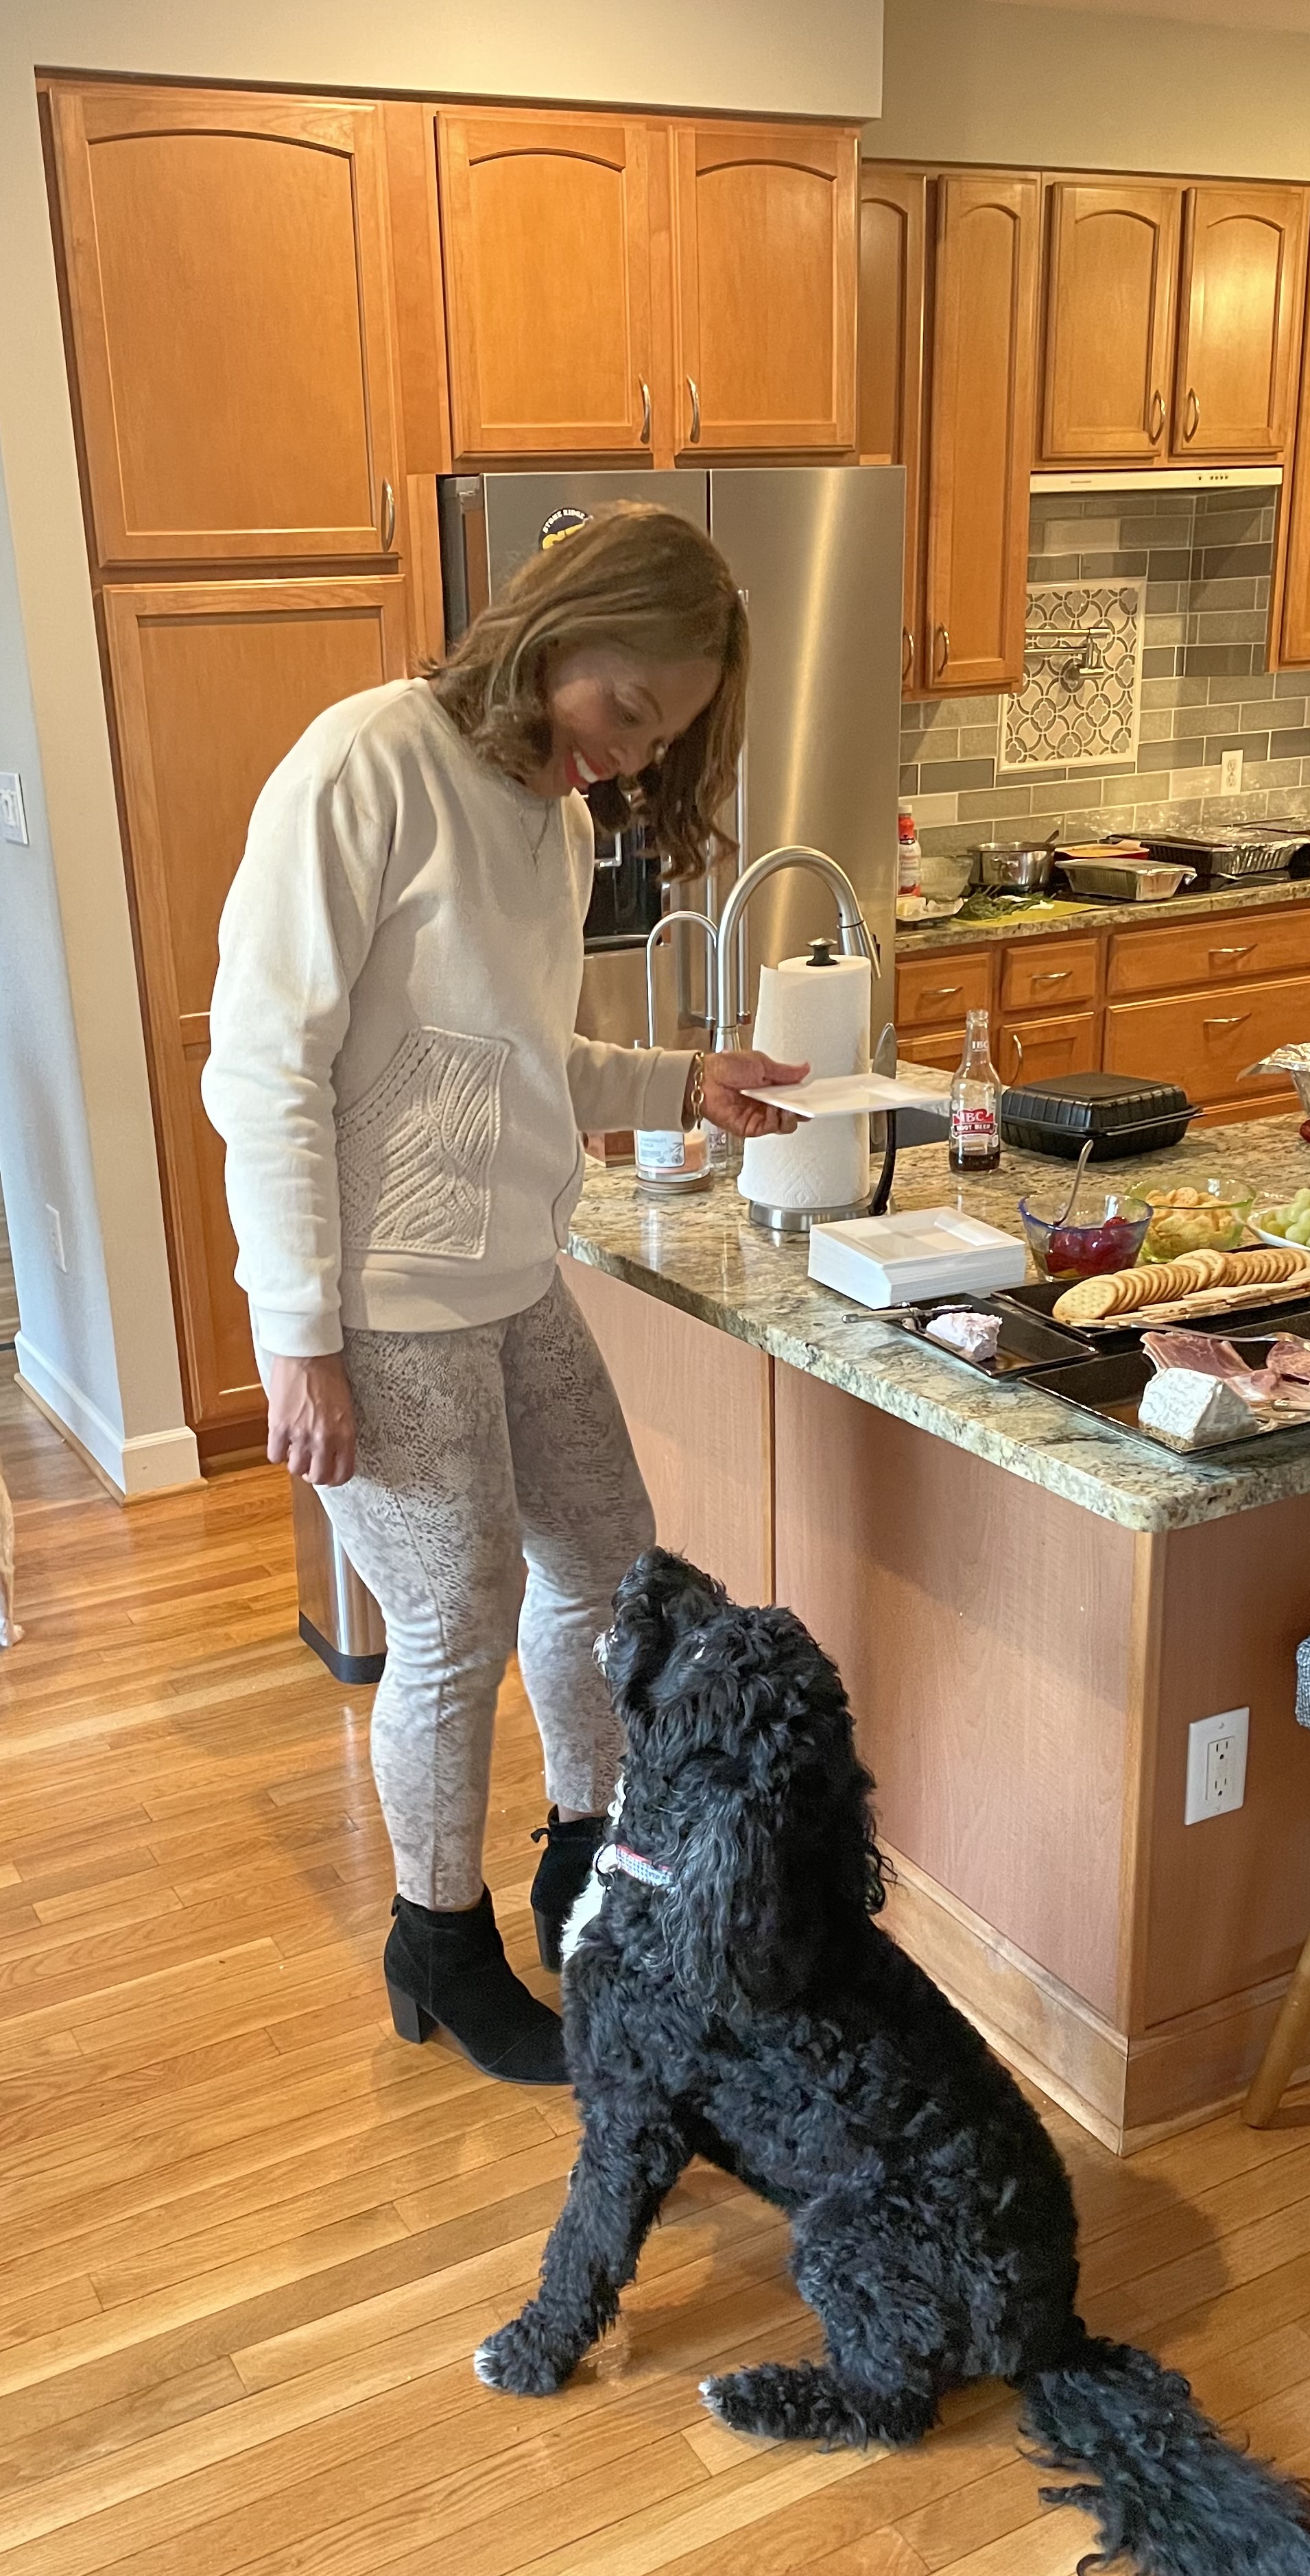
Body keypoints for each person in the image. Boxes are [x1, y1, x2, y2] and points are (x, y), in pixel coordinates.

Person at [204, 505, 805, 2086]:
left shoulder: (559, 824)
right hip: (379, 1299)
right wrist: (296, 1336)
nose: (628, 756)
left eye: (660, 738)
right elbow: (264, 1067)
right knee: (450, 1624)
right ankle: (437, 1936)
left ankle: (582, 1865)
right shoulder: (367, 765)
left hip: (510, 1276)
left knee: (608, 1568)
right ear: (557, 625)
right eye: (628, 709)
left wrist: (681, 1078)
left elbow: (525, 1061)